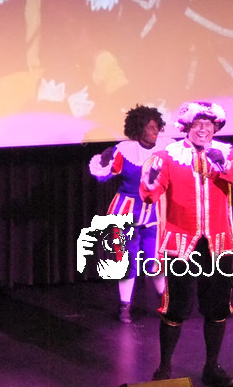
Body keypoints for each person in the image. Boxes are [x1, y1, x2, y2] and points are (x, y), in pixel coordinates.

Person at [139, 101, 233, 386]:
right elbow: (149, 194)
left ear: (216, 128)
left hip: (218, 244)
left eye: (209, 125)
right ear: (187, 127)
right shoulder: (168, 157)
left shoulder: (230, 155)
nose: (203, 129)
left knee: (217, 307)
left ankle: (212, 367)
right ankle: (164, 368)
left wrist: (225, 165)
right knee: (176, 308)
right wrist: (150, 180)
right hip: (181, 245)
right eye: (197, 124)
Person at [80, 105, 168, 323]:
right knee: (128, 261)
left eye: (156, 126)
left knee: (154, 260)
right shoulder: (125, 151)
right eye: (149, 127)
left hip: (155, 212)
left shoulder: (167, 149)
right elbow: (103, 175)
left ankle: (165, 301)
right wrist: (103, 161)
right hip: (127, 212)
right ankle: (125, 306)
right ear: (138, 129)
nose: (154, 130)